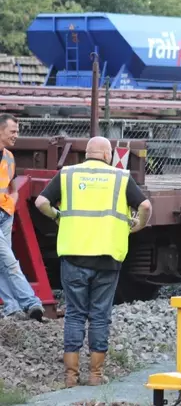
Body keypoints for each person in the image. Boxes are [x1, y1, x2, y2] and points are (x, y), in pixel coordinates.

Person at [35, 136, 152, 388]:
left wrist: (58, 217)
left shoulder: (67, 174)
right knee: (100, 315)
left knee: (75, 314)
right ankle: (96, 375)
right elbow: (145, 205)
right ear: (108, 155)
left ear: (86, 153)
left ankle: (70, 376)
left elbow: (41, 202)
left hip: (74, 255)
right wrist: (137, 225)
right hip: (107, 257)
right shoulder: (119, 177)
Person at [0, 113, 44, 322]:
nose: (16, 135)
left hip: (5, 215)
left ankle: (11, 307)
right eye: (13, 131)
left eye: (17, 131)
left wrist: (12, 204)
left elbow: (12, 187)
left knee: (2, 262)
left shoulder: (9, 157)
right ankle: (31, 303)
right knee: (9, 262)